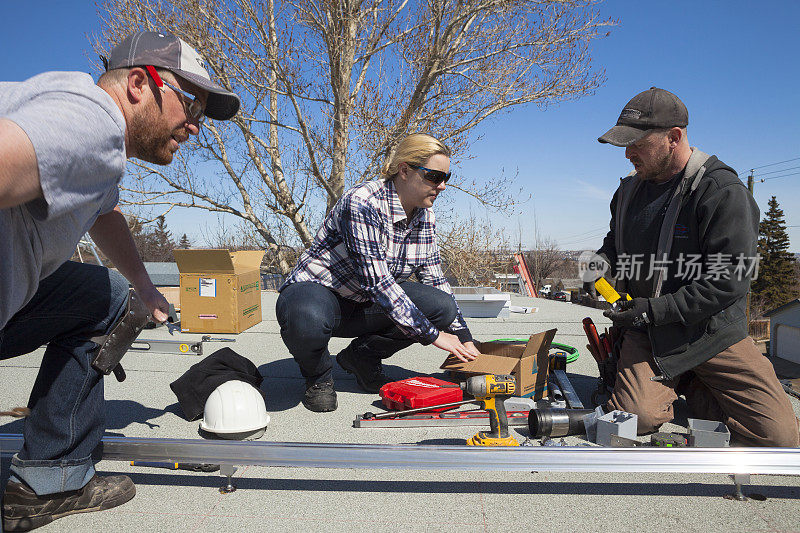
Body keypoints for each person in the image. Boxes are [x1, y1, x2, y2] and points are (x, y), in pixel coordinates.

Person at [0, 30, 240, 531]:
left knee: (105, 294)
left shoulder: (95, 150)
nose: (195, 127)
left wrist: (144, 285)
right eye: (191, 106)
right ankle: (52, 476)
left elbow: (104, 214)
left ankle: (51, 478)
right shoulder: (92, 122)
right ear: (138, 83)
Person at [594, 87, 799, 446]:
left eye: (637, 143)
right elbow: (613, 248)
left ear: (674, 137)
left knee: (780, 439)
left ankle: (694, 379)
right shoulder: (627, 192)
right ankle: (688, 383)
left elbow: (730, 280)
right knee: (636, 419)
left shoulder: (721, 191)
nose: (628, 154)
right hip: (650, 334)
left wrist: (653, 311)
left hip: (711, 334)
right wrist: (595, 273)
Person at [276, 133, 480, 412]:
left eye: (447, 177)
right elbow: (378, 281)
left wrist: (463, 335)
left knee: (441, 307)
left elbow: (434, 278)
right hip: (322, 296)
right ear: (404, 170)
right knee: (305, 317)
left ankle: (362, 357)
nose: (442, 186)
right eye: (434, 176)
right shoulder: (363, 202)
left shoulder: (424, 215)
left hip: (367, 306)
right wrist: (434, 336)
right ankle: (319, 377)